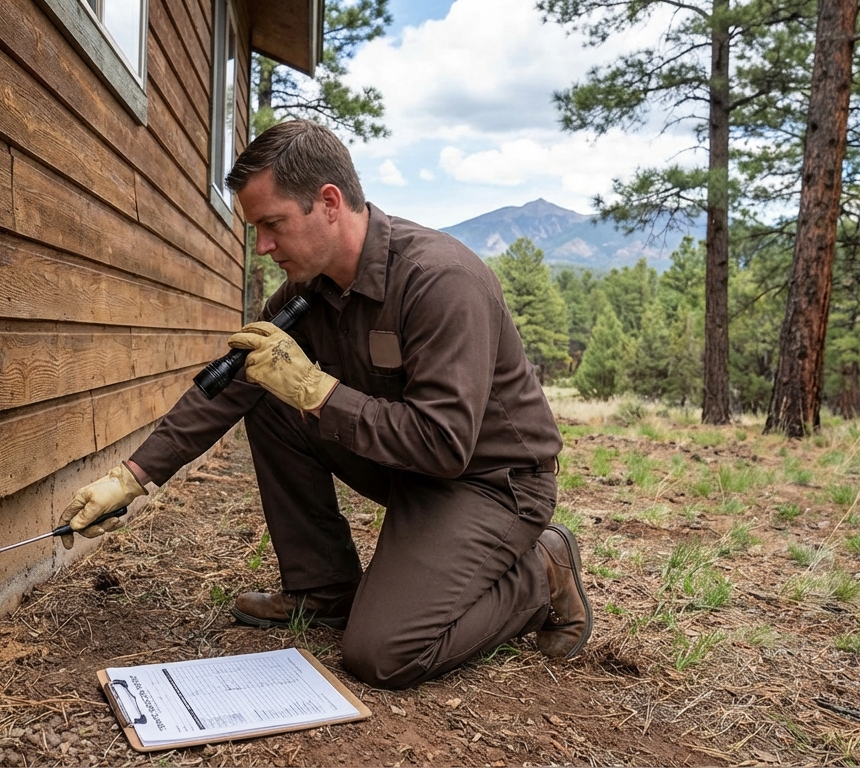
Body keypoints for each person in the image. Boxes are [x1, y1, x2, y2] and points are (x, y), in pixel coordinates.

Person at [63, 120, 591, 689]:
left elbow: (443, 445)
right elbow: (232, 385)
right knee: (266, 391)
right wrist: (134, 477)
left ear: (329, 203)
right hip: (406, 469)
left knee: (381, 655)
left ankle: (542, 570)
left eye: (272, 225)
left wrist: (316, 392)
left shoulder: (441, 281)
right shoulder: (306, 293)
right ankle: (324, 588)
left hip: (488, 483)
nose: (262, 248)